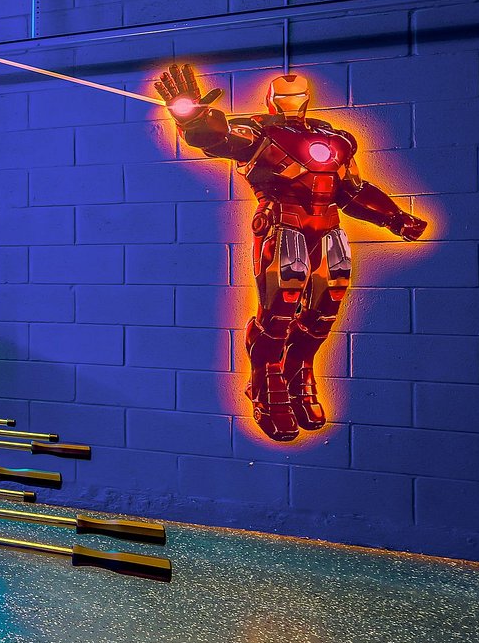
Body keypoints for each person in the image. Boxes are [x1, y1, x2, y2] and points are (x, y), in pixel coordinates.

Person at [157, 63, 426, 442]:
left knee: (324, 310)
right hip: (284, 224)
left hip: (327, 227)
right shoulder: (258, 130)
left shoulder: (336, 138)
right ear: (272, 99)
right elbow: (219, 139)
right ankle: (265, 381)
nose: (290, 99)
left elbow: (351, 190)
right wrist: (194, 119)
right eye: (283, 95)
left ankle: (298, 371)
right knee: (279, 310)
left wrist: (395, 218)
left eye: (296, 94)